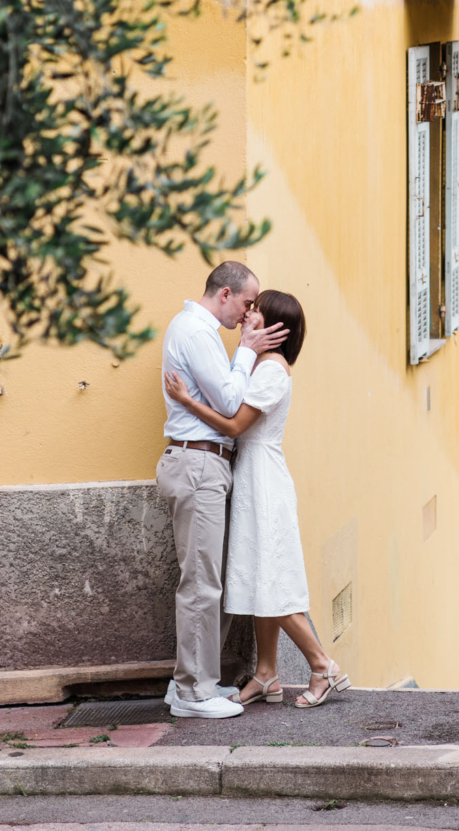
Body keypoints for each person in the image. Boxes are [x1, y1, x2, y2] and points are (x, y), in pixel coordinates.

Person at [164, 288, 350, 709]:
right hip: (249, 473)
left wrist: (185, 400)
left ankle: (323, 666)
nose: (246, 317)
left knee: (268, 579)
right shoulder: (258, 364)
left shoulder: (271, 370)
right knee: (255, 574)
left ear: (272, 327)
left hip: (262, 478)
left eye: (255, 313)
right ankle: (267, 674)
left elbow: (233, 426)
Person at [156, 260, 286, 720]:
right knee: (202, 584)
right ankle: (194, 693)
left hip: (206, 464)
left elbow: (223, 396)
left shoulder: (199, 331)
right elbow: (230, 401)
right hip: (198, 463)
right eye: (247, 303)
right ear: (225, 294)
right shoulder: (196, 331)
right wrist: (249, 350)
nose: (248, 316)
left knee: (212, 580)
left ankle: (188, 683)